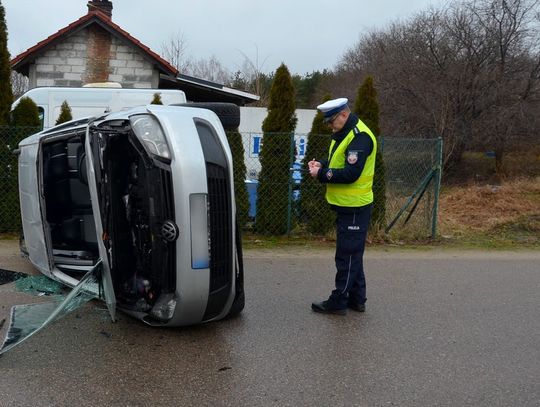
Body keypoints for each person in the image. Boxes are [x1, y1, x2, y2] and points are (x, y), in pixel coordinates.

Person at [308, 97, 377, 315]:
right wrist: (323, 164)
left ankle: (338, 301)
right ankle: (357, 299)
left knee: (346, 255)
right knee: (353, 253)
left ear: (344, 115)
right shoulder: (345, 134)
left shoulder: (359, 137)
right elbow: (340, 162)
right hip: (347, 205)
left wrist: (321, 174)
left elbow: (351, 173)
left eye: (331, 121)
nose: (329, 125)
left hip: (355, 206)